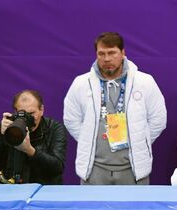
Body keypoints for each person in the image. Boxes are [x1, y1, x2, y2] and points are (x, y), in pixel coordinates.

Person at [64, 32, 167, 185]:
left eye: (112, 53)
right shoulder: (81, 83)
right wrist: (89, 139)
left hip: (133, 170)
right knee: (93, 209)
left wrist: (139, 139)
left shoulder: (144, 82)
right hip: (94, 169)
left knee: (134, 209)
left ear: (123, 53)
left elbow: (158, 120)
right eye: (101, 54)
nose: (107, 59)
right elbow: (71, 119)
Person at [0, 90, 66, 184]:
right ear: (15, 112)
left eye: (32, 113)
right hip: (9, 190)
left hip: (43, 191)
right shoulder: (7, 127)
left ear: (42, 110)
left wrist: (30, 151)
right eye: (24, 114)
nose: (28, 118)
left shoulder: (54, 129)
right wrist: (1, 135)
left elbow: (57, 168)